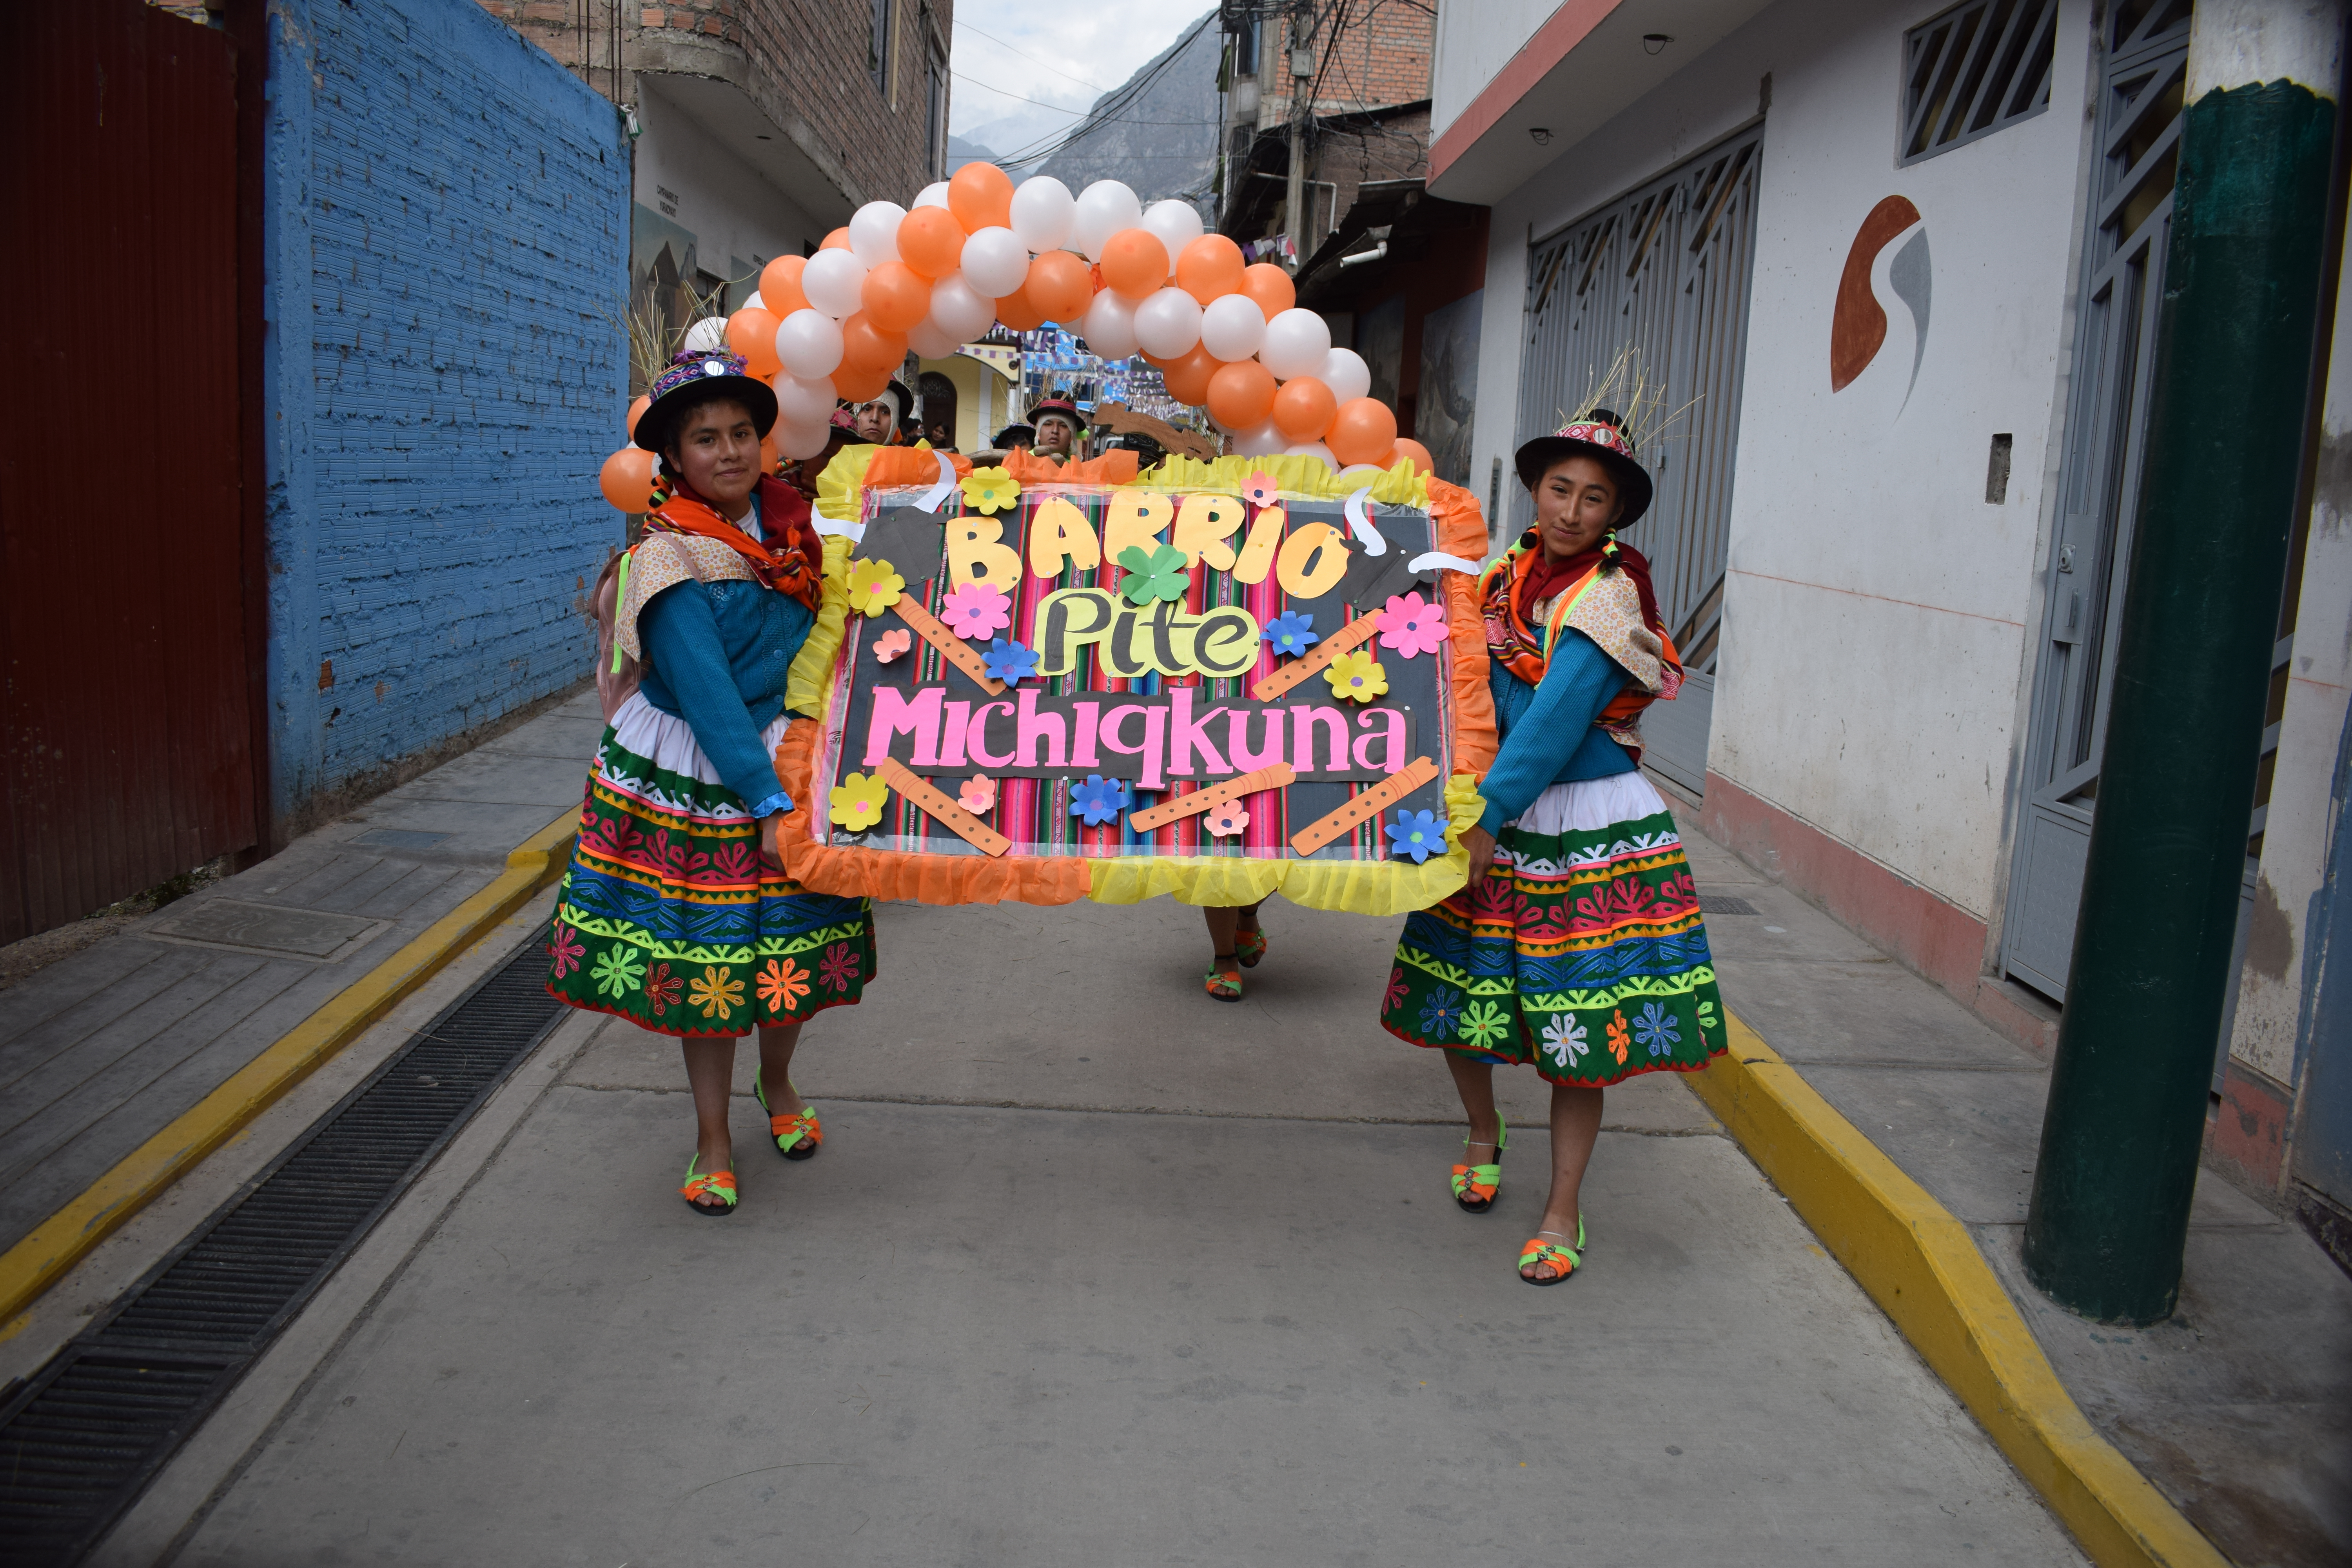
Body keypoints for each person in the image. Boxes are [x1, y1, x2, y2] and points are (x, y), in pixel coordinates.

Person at [1379, 407, 1723, 1283]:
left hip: (1581, 823)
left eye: (1593, 497)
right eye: (1560, 489)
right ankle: (1483, 1131)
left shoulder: (1608, 595)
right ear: (1536, 489)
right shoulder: (1504, 574)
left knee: (1584, 1020)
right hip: (1488, 804)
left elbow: (1558, 721)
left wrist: (1488, 817)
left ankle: (1563, 1206)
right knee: (1466, 990)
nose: (1571, 510)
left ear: (1615, 513)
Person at [549, 347, 877, 1217]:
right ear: (675, 458)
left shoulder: (798, 529)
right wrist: (768, 799)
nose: (729, 451)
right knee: (710, 963)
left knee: (791, 950)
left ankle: (777, 1082)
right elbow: (704, 692)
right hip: (701, 768)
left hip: (794, 747)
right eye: (706, 438)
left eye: (741, 433)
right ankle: (712, 1135)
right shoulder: (667, 559)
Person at [849, 379, 912, 445]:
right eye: (867, 409)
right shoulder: (841, 454)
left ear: (896, 420)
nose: (875, 418)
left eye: (885, 412)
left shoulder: (907, 455)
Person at [1027, 398, 1085, 463]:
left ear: (1072, 435)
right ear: (1038, 431)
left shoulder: (1079, 470)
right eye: (1048, 424)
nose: (1055, 431)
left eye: (1063, 426)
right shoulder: (1022, 463)